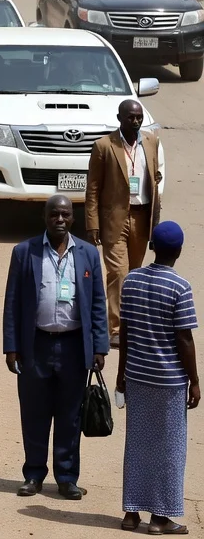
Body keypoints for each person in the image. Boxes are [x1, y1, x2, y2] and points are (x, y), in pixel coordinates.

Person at [3, 194, 108, 501]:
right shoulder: (25, 253)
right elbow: (12, 303)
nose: (59, 220)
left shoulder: (88, 254)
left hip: (74, 347)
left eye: (65, 215)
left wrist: (99, 347)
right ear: (45, 217)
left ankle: (66, 477)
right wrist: (11, 347)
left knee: (70, 415)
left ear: (72, 218)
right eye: (54, 215)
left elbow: (98, 304)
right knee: (34, 413)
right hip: (35, 346)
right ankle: (34, 474)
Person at [117, 221, 199, 534]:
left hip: (137, 376)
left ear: (152, 247)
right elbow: (184, 339)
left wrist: (122, 373)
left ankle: (131, 513)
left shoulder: (132, 281)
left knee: (137, 444)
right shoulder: (180, 287)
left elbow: (124, 331)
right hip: (168, 383)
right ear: (178, 252)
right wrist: (195, 380)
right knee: (169, 448)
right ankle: (161, 518)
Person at [86, 98, 163, 345]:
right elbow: (93, 188)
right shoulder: (104, 146)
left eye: (139, 117)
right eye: (131, 117)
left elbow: (154, 178)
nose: (136, 121)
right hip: (114, 219)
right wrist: (92, 224)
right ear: (120, 118)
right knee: (118, 274)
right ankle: (116, 330)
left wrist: (155, 223)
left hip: (142, 216)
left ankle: (133, 327)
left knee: (135, 274)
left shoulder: (151, 142)